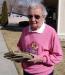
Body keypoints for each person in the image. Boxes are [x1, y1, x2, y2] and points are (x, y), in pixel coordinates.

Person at [17, 3, 63, 75]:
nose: (33, 19)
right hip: (26, 71)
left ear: (44, 17)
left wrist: (41, 59)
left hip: (44, 73)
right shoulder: (25, 30)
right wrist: (18, 55)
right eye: (30, 16)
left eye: (37, 16)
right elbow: (20, 46)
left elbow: (58, 56)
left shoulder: (51, 32)